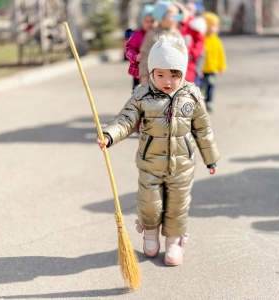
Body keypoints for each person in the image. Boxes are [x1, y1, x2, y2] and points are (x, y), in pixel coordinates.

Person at [97, 35, 220, 266]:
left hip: (182, 166)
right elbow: (126, 119)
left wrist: (210, 158)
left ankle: (173, 243)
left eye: (173, 75)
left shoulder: (191, 95)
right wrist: (109, 135)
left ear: (182, 73)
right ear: (152, 72)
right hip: (150, 164)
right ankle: (150, 235)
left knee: (177, 205)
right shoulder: (143, 95)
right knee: (150, 204)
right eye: (160, 74)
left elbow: (203, 129)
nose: (166, 81)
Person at [138, 1, 183, 84]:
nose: (175, 19)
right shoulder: (152, 34)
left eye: (178, 16)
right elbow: (145, 55)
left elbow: (183, 55)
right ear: (161, 16)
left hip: (173, 79)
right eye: (171, 16)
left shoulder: (177, 34)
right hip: (155, 78)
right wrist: (144, 75)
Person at [201, 12, 226, 112]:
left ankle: (209, 102)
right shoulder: (202, 39)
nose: (216, 28)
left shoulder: (217, 40)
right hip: (202, 70)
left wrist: (221, 67)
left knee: (211, 87)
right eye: (213, 25)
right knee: (202, 88)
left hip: (212, 70)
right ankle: (201, 103)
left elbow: (221, 55)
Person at [125, 5, 155, 89]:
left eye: (152, 21)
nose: (149, 24)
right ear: (142, 22)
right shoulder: (137, 35)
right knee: (138, 92)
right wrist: (135, 56)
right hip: (139, 71)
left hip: (155, 71)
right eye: (147, 21)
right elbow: (128, 49)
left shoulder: (158, 35)